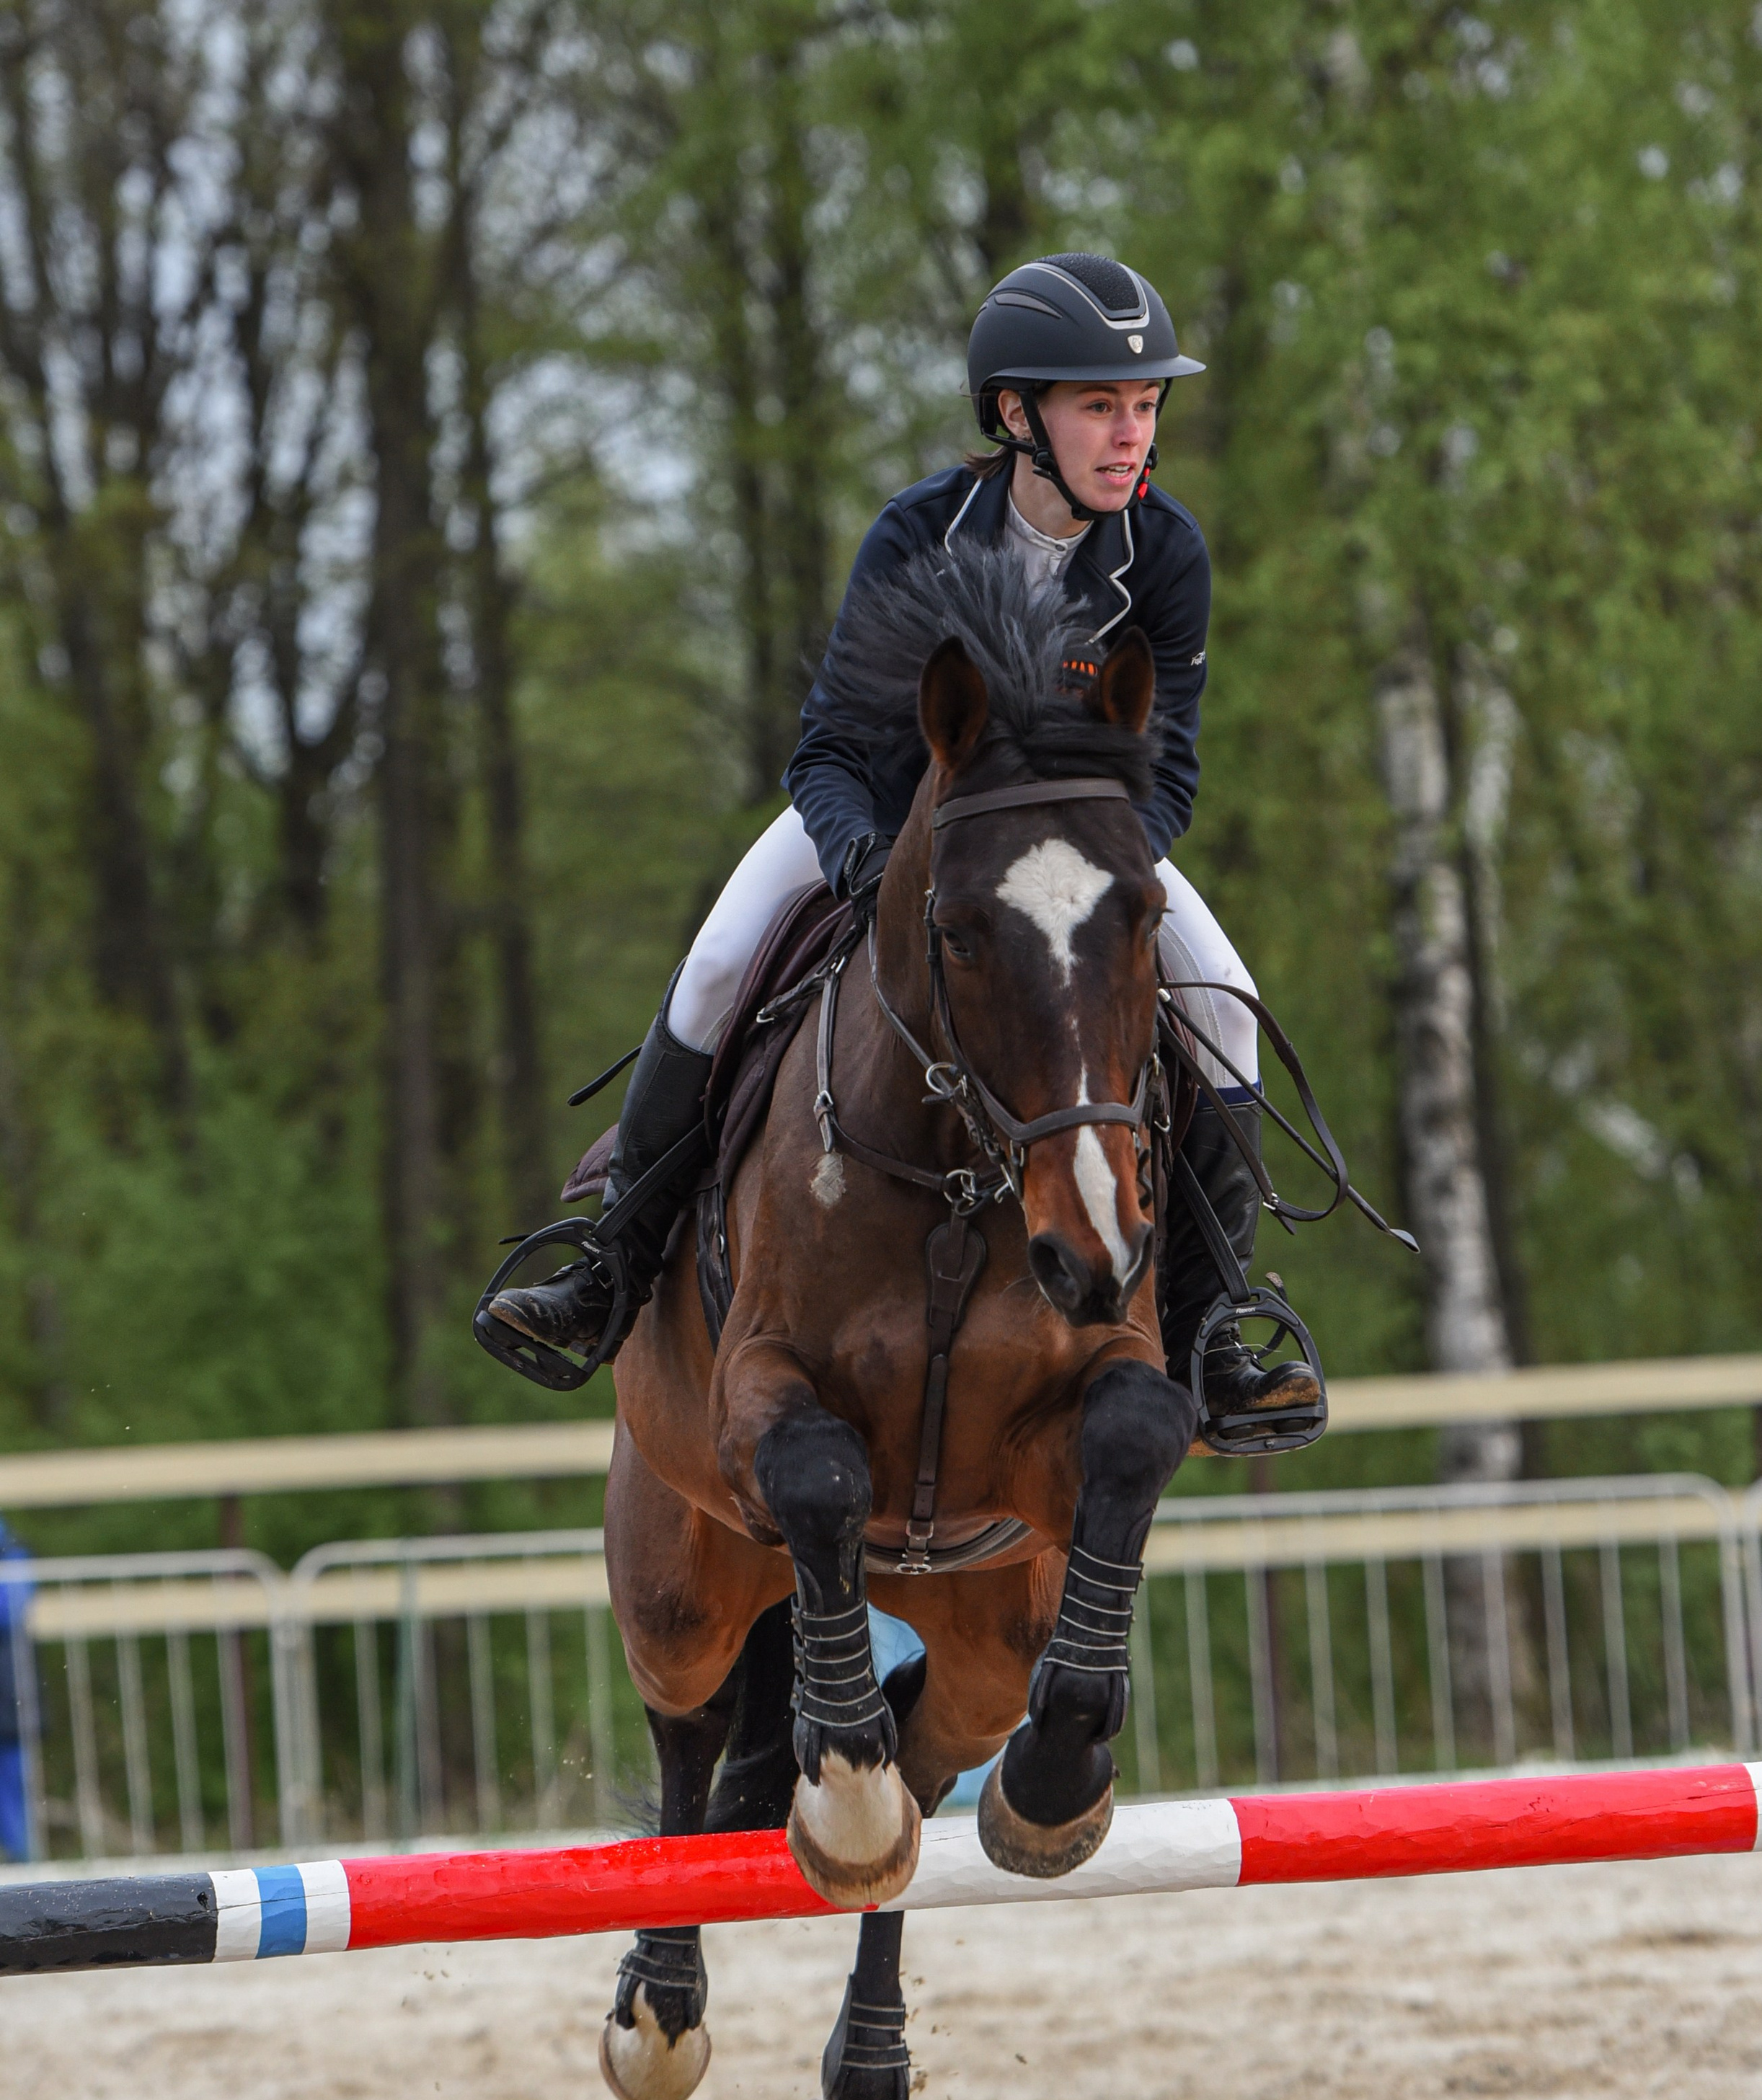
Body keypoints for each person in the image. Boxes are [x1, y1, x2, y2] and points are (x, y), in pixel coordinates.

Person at [487, 250, 1316, 1439]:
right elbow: (826, 749)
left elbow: (1166, 771)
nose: (1132, 434)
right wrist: (869, 859)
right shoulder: (919, 538)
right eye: (1101, 407)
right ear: (1017, 414)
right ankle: (606, 1271)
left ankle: (1214, 1328)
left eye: (1145, 406)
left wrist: (1100, 870)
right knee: (719, 967)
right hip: (883, 820)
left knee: (1225, 1003)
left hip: (1079, 849)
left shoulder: (1166, 554)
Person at [0, 1518, 35, 1863]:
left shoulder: (12, 1552)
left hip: (8, 1696)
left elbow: (9, 1610)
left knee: (12, 1781)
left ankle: (21, 1857)